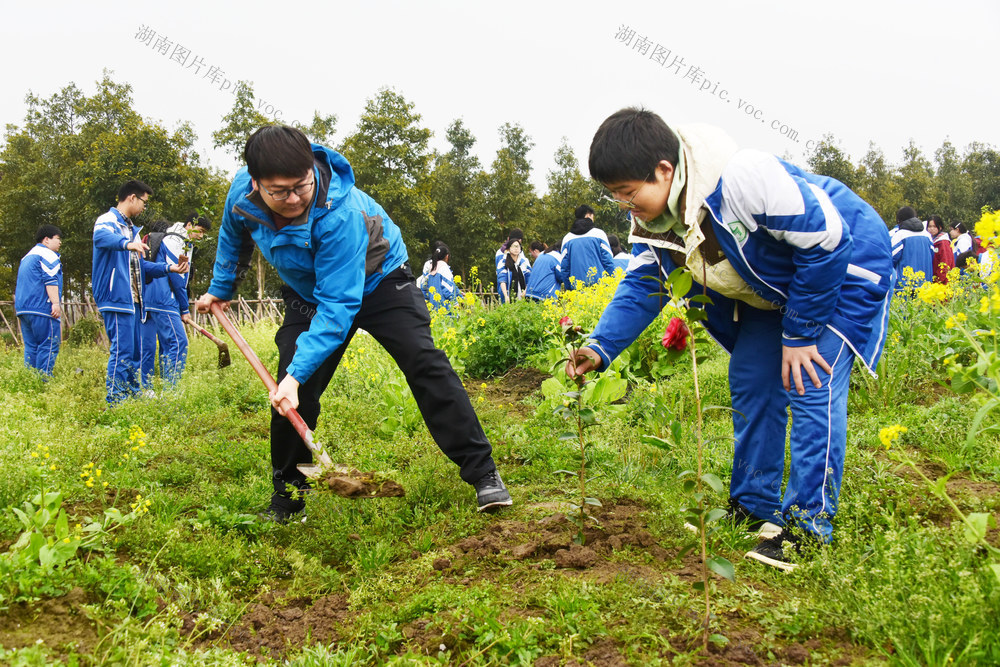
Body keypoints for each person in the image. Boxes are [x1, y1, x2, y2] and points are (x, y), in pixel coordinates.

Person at [567, 108, 893, 571]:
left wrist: (802, 334)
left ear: (664, 170)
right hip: (778, 291)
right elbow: (644, 284)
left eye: (628, 192)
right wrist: (599, 347)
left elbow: (828, 241)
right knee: (751, 377)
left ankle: (806, 528)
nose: (625, 205)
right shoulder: (655, 221)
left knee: (809, 381)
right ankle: (754, 503)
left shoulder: (743, 179)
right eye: (615, 195)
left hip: (844, 268)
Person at [194, 125, 511, 520]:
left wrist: (294, 377)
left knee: (424, 361)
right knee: (294, 383)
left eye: (302, 186)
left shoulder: (339, 213)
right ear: (256, 183)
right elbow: (232, 236)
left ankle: (483, 472)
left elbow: (338, 307)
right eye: (279, 191)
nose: (293, 198)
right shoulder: (242, 194)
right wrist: (221, 288)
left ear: (312, 169)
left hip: (380, 281)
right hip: (309, 293)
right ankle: (288, 496)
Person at [92, 180, 189, 404]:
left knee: (135, 352)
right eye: (144, 201)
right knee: (123, 351)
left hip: (134, 299)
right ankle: (115, 400)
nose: (145, 207)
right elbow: (100, 238)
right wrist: (127, 244)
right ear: (132, 198)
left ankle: (133, 394)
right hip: (115, 296)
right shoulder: (108, 221)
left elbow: (143, 267)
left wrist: (169, 268)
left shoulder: (132, 231)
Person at [140, 217, 201, 385]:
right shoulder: (176, 241)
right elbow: (177, 278)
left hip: (148, 299)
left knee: (153, 347)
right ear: (188, 225)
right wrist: (184, 308)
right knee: (179, 342)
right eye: (200, 230)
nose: (202, 235)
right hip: (164, 299)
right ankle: (171, 392)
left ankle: (147, 389)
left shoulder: (165, 239)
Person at [14, 225, 63, 377]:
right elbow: (50, 279)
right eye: (58, 238)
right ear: (46, 240)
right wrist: (55, 303)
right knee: (48, 344)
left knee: (31, 346)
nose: (60, 242)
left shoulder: (27, 257)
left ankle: (31, 380)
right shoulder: (47, 254)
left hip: (23, 309)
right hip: (42, 308)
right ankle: (44, 380)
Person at [560, 207, 616, 289]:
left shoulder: (567, 238)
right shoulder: (599, 234)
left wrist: (569, 289)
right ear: (588, 215)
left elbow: (565, 268)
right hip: (600, 287)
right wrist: (613, 283)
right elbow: (608, 261)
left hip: (577, 288)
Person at [889, 207, 933, 290]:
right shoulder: (927, 235)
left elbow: (890, 259)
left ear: (899, 220)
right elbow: (932, 257)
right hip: (925, 286)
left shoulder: (900, 235)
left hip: (904, 287)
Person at [420, 243, 461, 310]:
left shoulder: (431, 267)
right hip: (446, 310)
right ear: (447, 256)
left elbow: (423, 286)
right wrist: (455, 303)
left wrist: (426, 301)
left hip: (433, 309)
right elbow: (447, 289)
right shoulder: (444, 268)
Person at [497, 239, 530, 303]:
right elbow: (502, 280)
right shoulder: (503, 262)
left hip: (523, 295)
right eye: (514, 246)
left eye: (518, 246)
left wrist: (526, 291)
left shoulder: (524, 262)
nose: (516, 248)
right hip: (508, 295)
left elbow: (529, 278)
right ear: (509, 249)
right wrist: (506, 296)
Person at [494, 229, 524, 297]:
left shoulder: (499, 252)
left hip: (516, 289)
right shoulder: (502, 255)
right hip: (506, 288)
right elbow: (500, 273)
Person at [926, 215, 954, 284]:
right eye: (929, 226)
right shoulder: (931, 241)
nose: (932, 229)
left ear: (940, 227)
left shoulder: (943, 242)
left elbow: (945, 263)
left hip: (943, 282)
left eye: (934, 226)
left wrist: (938, 280)